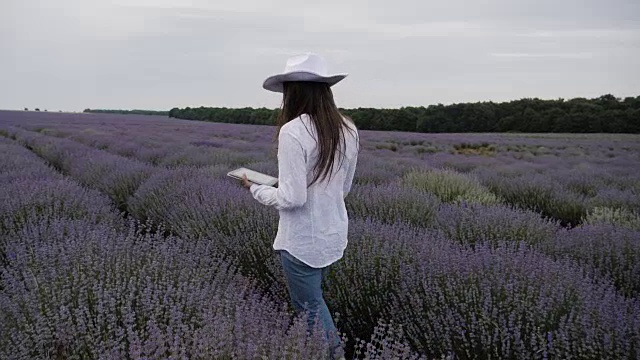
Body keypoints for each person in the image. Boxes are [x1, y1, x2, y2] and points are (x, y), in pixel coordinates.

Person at [240, 53, 359, 359]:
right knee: (318, 300)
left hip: (302, 241)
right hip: (333, 236)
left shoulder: (293, 131)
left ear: (292, 92)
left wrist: (257, 189)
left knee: (310, 308)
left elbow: (293, 199)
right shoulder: (347, 128)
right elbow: (342, 188)